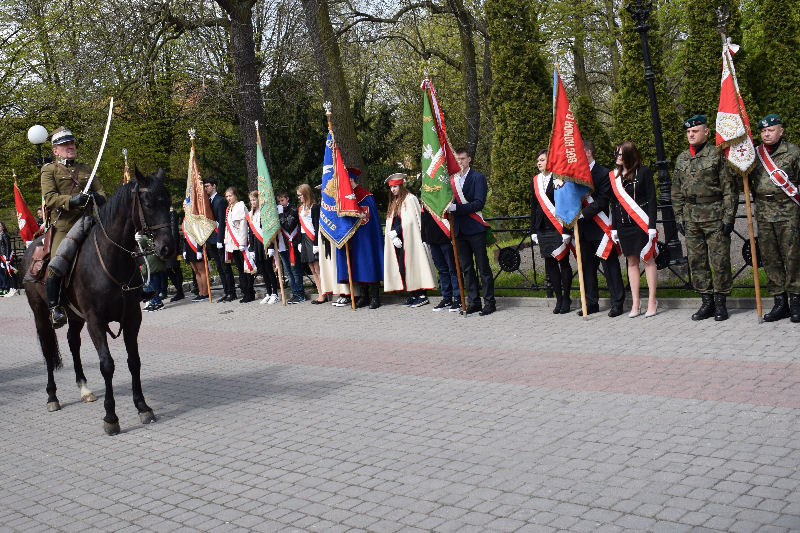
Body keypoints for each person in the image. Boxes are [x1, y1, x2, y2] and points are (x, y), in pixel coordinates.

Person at [672, 114, 738, 321]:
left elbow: (729, 189)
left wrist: (729, 217)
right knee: (697, 261)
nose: (690, 135)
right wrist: (679, 216)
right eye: (688, 132)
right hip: (691, 217)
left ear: (706, 132)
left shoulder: (717, 155)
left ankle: (721, 302)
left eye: (695, 131)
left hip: (714, 214)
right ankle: (706, 301)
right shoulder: (682, 158)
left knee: (719, 261)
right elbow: (676, 191)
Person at [41, 126, 106, 328]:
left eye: (71, 143)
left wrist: (97, 197)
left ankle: (134, 288)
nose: (70, 147)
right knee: (56, 263)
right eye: (64, 145)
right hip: (65, 225)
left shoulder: (87, 168)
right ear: (55, 150)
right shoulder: (49, 170)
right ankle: (55, 308)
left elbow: (102, 194)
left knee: (119, 246)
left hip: (90, 222)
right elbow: (50, 199)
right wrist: (72, 200)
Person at [748, 114, 800, 322]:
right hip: (763, 211)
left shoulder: (794, 152)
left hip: (788, 211)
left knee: (793, 256)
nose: (766, 134)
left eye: (770, 130)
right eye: (763, 131)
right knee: (770, 257)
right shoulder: (754, 154)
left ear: (781, 131)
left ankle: (796, 300)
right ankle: (780, 302)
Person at [609, 141, 659, 317]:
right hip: (624, 226)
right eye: (616, 153)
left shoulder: (644, 172)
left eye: (620, 154)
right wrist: (614, 228)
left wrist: (652, 225)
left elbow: (652, 199)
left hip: (642, 223)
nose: (617, 157)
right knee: (631, 262)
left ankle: (652, 300)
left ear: (629, 155)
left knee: (648, 259)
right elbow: (614, 204)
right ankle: (636, 303)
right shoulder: (614, 176)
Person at [577, 140, 626, 317]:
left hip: (601, 227)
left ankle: (617, 303)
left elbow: (603, 200)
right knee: (587, 268)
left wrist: (583, 213)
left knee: (610, 266)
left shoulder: (604, 173)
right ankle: (591, 303)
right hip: (583, 229)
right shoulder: (574, 174)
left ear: (588, 152)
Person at [448, 149, 495, 316]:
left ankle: (489, 302)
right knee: (467, 268)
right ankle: (473, 301)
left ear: (469, 159)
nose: (460, 162)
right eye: (457, 159)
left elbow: (478, 203)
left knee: (483, 267)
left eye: (462, 158)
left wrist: (456, 208)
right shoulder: (451, 180)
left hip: (475, 228)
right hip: (459, 230)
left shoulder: (477, 177)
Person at [383, 173, 436, 307]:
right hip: (398, 240)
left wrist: (397, 231)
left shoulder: (410, 199)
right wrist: (392, 235)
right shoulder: (393, 202)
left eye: (395, 187)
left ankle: (421, 294)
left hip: (410, 238)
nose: (393, 190)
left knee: (414, 265)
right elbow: (392, 220)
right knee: (402, 268)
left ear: (401, 186)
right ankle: (412, 294)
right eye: (391, 187)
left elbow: (412, 220)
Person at [531, 149, 574, 314]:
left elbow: (566, 204)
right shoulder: (535, 181)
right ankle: (559, 299)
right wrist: (533, 229)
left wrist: (566, 229)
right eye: (538, 160)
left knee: (563, 263)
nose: (539, 163)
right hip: (543, 228)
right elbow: (533, 206)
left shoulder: (559, 178)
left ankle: (567, 297)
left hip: (558, 227)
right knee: (550, 264)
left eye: (542, 159)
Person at [336, 168, 383, 309]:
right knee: (357, 267)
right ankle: (364, 296)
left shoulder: (365, 196)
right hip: (352, 238)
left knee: (369, 265)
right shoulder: (346, 197)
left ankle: (375, 297)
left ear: (351, 180)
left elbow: (369, 219)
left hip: (365, 238)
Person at [203, 177, 236, 301]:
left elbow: (221, 222)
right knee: (219, 267)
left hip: (219, 238)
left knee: (225, 266)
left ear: (214, 186)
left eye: (207, 186)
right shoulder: (207, 201)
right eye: (205, 187)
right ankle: (226, 291)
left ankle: (232, 292)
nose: (205, 189)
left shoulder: (219, 201)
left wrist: (219, 239)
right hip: (211, 239)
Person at [420, 207, 460, 312]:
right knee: (442, 270)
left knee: (453, 269)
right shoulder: (426, 198)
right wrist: (424, 237)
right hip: (432, 239)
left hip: (446, 238)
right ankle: (447, 298)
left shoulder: (443, 196)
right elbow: (424, 219)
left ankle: (458, 298)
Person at [245, 190, 280, 305]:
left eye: (254, 199)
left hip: (265, 244)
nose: (252, 202)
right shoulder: (251, 214)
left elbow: (267, 230)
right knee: (262, 271)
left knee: (269, 269)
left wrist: (270, 246)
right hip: (256, 245)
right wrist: (251, 249)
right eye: (251, 200)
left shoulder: (264, 213)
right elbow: (251, 232)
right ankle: (268, 293)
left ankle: (275, 293)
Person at [223, 187, 255, 303]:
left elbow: (243, 226)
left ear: (236, 195)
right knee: (240, 269)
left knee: (246, 269)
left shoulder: (241, 206)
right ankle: (244, 291)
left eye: (230, 195)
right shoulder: (229, 209)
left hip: (241, 243)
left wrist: (242, 243)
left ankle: (250, 292)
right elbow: (228, 228)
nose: (228, 198)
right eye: (227, 196)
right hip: (232, 244)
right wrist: (226, 242)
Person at [296, 184, 325, 304]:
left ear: (306, 194)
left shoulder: (314, 207)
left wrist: (316, 243)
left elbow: (317, 225)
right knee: (312, 269)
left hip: (313, 239)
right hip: (304, 239)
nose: (298, 197)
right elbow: (299, 226)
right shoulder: (300, 208)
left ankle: (323, 294)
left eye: (300, 195)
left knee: (318, 268)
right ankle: (320, 293)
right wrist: (299, 242)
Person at [276, 190, 306, 303]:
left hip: (292, 244)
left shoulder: (293, 209)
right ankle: (294, 293)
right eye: (278, 201)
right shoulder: (278, 210)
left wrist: (280, 214)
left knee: (295, 270)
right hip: (282, 245)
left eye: (282, 200)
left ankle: (300, 294)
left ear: (287, 199)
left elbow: (289, 226)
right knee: (288, 271)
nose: (281, 203)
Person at [181, 210, 209, 302]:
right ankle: (200, 292)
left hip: (196, 247)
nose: (185, 207)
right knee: (196, 271)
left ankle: (205, 292)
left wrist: (199, 249)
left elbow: (199, 235)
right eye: (184, 205)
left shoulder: (195, 218)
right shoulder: (185, 219)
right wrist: (184, 250)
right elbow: (185, 237)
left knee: (202, 271)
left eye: (186, 205)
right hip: (189, 247)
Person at [137, 232, 166, 312]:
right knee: (150, 283)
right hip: (150, 261)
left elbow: (145, 242)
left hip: (152, 262)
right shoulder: (146, 234)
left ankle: (157, 303)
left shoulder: (147, 235)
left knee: (152, 284)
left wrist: (138, 238)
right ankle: (153, 302)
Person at [164, 207, 185, 302]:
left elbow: (174, 231)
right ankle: (179, 290)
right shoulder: (165, 212)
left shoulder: (172, 213)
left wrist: (174, 247)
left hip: (172, 246)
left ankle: (180, 292)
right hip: (167, 245)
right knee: (169, 269)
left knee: (175, 269)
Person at [0, 222, 12, 296]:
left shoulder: (4, 235)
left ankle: (6, 287)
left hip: (4, 256)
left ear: (3, 227)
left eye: (0, 226)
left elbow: (8, 246)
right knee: (0, 273)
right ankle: (1, 287)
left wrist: (7, 257)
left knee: (6, 273)